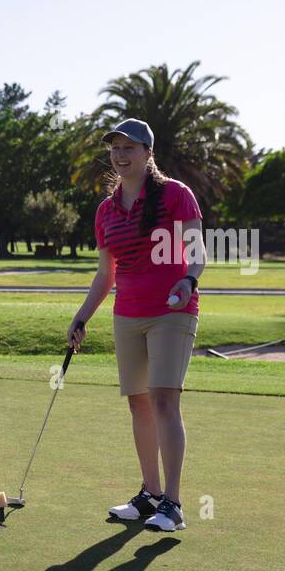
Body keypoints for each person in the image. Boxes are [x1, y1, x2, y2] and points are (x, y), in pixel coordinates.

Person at [68, 118, 205, 532]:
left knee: (164, 400)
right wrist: (81, 316)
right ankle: (150, 494)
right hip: (127, 314)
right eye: (115, 148)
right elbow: (105, 274)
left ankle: (174, 505)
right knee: (138, 403)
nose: (121, 154)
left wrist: (188, 279)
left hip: (172, 309)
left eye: (130, 147)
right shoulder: (107, 209)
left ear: (148, 153)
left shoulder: (176, 195)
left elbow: (197, 253)